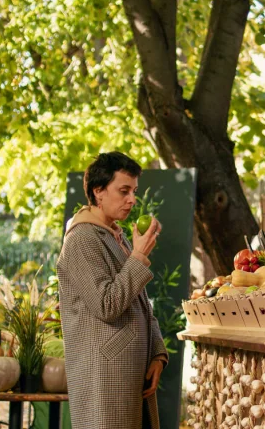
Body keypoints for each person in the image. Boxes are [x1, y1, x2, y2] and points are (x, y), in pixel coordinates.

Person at [57, 152, 168, 429]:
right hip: (104, 380)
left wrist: (157, 354)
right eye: (124, 191)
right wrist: (139, 256)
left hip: (131, 373)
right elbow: (106, 304)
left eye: (134, 191)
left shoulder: (116, 236)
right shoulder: (81, 240)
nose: (132, 199)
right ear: (98, 192)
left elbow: (141, 303)